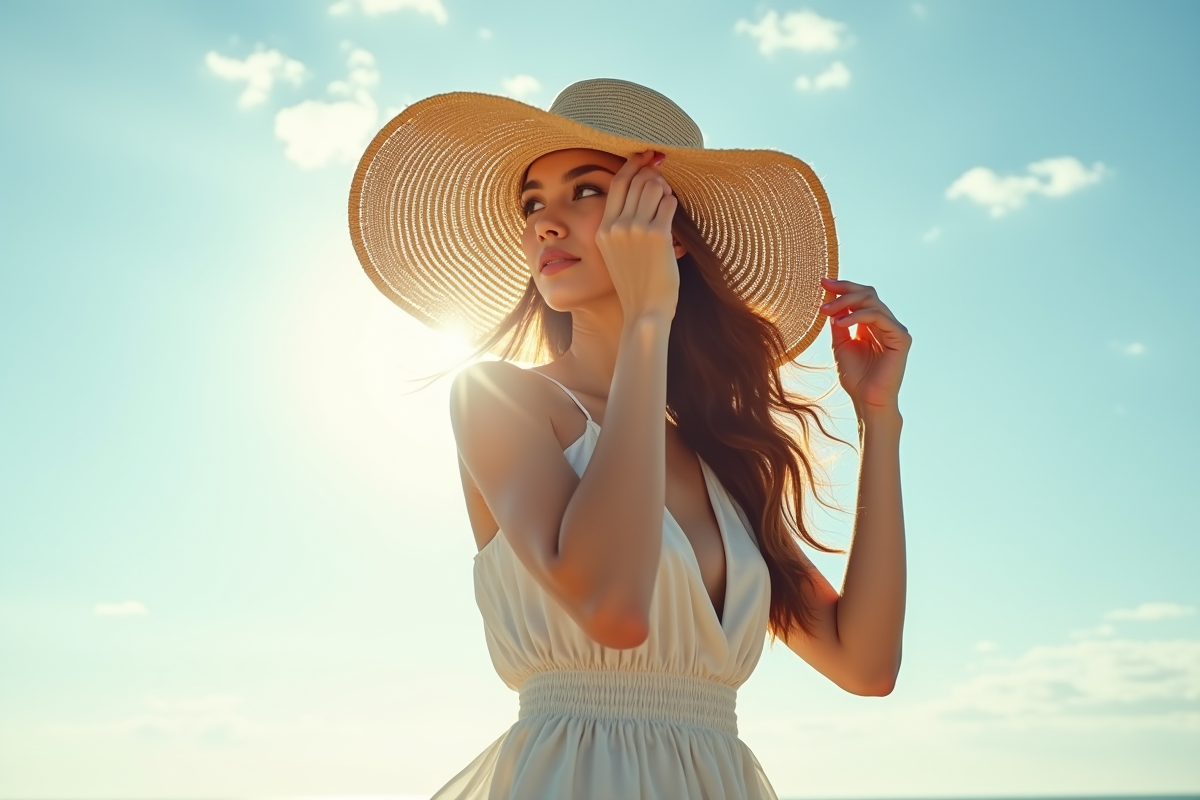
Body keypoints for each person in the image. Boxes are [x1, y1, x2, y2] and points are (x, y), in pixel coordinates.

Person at [348, 78, 910, 800]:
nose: (546, 223)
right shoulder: (501, 398)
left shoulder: (720, 458)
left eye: (586, 191)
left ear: (670, 233)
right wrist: (648, 317)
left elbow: (866, 665)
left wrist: (880, 419)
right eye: (532, 203)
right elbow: (612, 606)